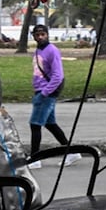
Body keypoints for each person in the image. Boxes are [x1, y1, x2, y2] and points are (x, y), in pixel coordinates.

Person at [28, 24, 80, 167]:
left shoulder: (52, 51)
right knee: (50, 124)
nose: (40, 37)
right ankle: (71, 152)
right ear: (33, 36)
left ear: (47, 35)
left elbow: (58, 75)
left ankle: (35, 158)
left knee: (35, 124)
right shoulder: (38, 50)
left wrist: (44, 92)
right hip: (41, 90)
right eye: (37, 35)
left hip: (46, 92)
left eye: (42, 34)